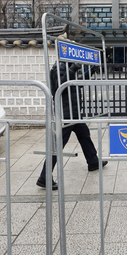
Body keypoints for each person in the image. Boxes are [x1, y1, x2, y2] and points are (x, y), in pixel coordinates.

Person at [36, 62, 107, 190]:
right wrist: (73, 69)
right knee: (58, 145)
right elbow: (59, 87)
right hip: (65, 114)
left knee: (84, 135)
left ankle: (93, 162)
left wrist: (89, 72)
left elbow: (75, 84)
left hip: (73, 112)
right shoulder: (59, 68)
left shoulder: (68, 67)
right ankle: (44, 177)